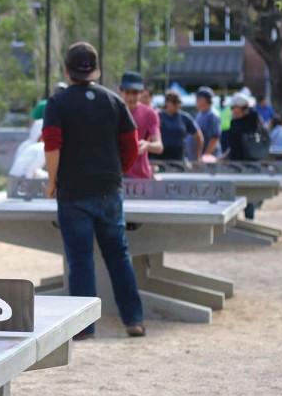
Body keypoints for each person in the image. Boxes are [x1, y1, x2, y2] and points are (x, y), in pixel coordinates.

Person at [43, 42, 145, 339]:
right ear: (96, 70)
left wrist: (52, 181)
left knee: (80, 259)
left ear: (67, 70)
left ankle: (84, 327)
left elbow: (52, 145)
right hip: (109, 188)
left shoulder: (58, 103)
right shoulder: (114, 101)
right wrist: (117, 171)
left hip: (73, 192)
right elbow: (131, 144)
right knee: (118, 255)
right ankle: (133, 319)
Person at [227, 93, 267, 219]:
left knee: (248, 194)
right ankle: (234, 220)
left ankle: (249, 218)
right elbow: (233, 145)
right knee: (234, 193)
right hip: (235, 163)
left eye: (234, 107)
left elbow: (258, 130)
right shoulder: (234, 122)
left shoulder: (253, 118)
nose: (232, 110)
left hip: (250, 162)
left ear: (242, 107)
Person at [118, 72, 163, 179]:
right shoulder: (112, 111)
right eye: (127, 92)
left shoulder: (149, 113)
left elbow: (159, 146)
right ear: (120, 91)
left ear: (141, 93)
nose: (131, 97)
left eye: (135, 93)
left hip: (140, 176)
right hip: (116, 175)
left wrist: (147, 145)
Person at [154, 90, 203, 162]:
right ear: (166, 103)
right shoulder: (158, 116)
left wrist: (197, 157)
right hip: (160, 160)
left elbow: (199, 137)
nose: (177, 105)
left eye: (179, 102)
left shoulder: (184, 118)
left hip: (179, 160)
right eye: (174, 102)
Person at [194, 86, 222, 159]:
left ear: (206, 100)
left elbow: (215, 138)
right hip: (200, 156)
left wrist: (205, 156)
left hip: (210, 157)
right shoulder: (199, 114)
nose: (196, 101)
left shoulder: (213, 115)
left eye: (199, 98)